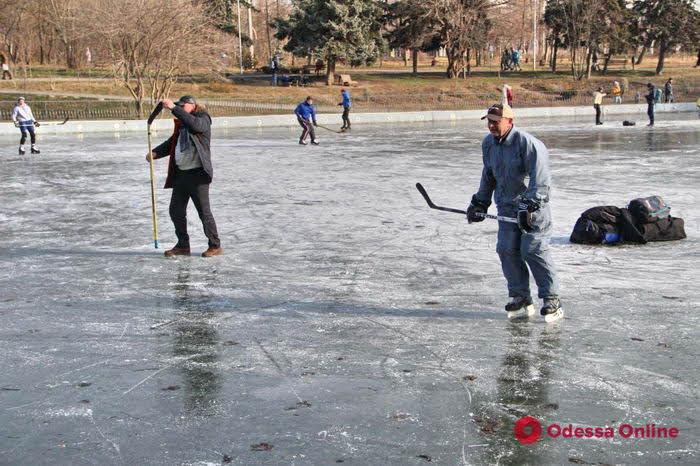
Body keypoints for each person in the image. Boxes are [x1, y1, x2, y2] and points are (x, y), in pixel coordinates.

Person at [466, 103, 562, 320]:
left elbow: (541, 181)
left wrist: (530, 205)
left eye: (495, 121)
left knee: (533, 250)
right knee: (506, 249)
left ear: (510, 121)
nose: (491, 125)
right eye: (489, 121)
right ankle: (520, 297)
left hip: (532, 211)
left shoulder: (528, 144)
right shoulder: (489, 144)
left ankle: (551, 299)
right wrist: (479, 203)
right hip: (506, 208)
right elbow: (488, 175)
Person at [147, 95, 222, 258]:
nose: (180, 109)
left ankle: (215, 245)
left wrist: (174, 108)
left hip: (198, 175)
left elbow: (195, 125)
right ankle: (182, 245)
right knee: (176, 210)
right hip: (181, 174)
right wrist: (155, 153)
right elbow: (171, 142)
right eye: (178, 106)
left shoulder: (203, 118)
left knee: (204, 212)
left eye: (182, 106)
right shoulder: (182, 124)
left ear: (192, 105)